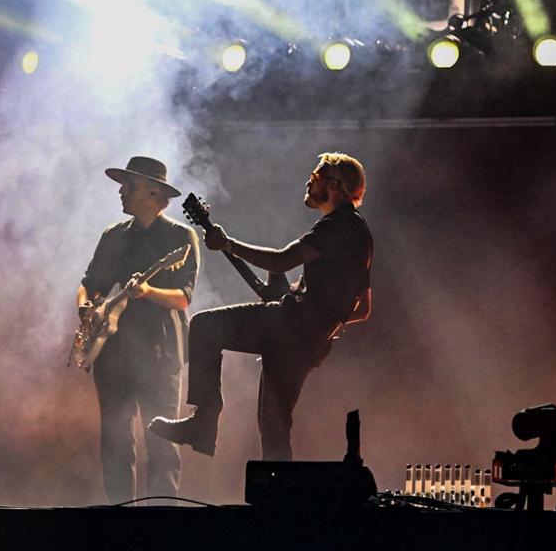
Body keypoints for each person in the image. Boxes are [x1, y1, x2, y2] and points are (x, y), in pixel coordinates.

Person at [149, 152, 372, 461]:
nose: (309, 182)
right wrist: (318, 325)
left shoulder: (336, 226)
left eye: (316, 177)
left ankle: (203, 422)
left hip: (290, 328)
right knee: (274, 426)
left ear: (336, 186)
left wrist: (228, 244)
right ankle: (280, 501)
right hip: (307, 343)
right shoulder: (359, 233)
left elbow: (282, 259)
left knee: (203, 326)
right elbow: (362, 309)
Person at [77, 156, 200, 504]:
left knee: (162, 447)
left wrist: (147, 291)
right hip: (113, 354)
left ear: (153, 193)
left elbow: (183, 297)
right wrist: (85, 307)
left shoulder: (181, 237)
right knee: (115, 445)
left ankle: (160, 529)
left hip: (160, 355)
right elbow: (89, 284)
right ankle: (120, 522)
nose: (120, 190)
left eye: (127, 185)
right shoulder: (113, 236)